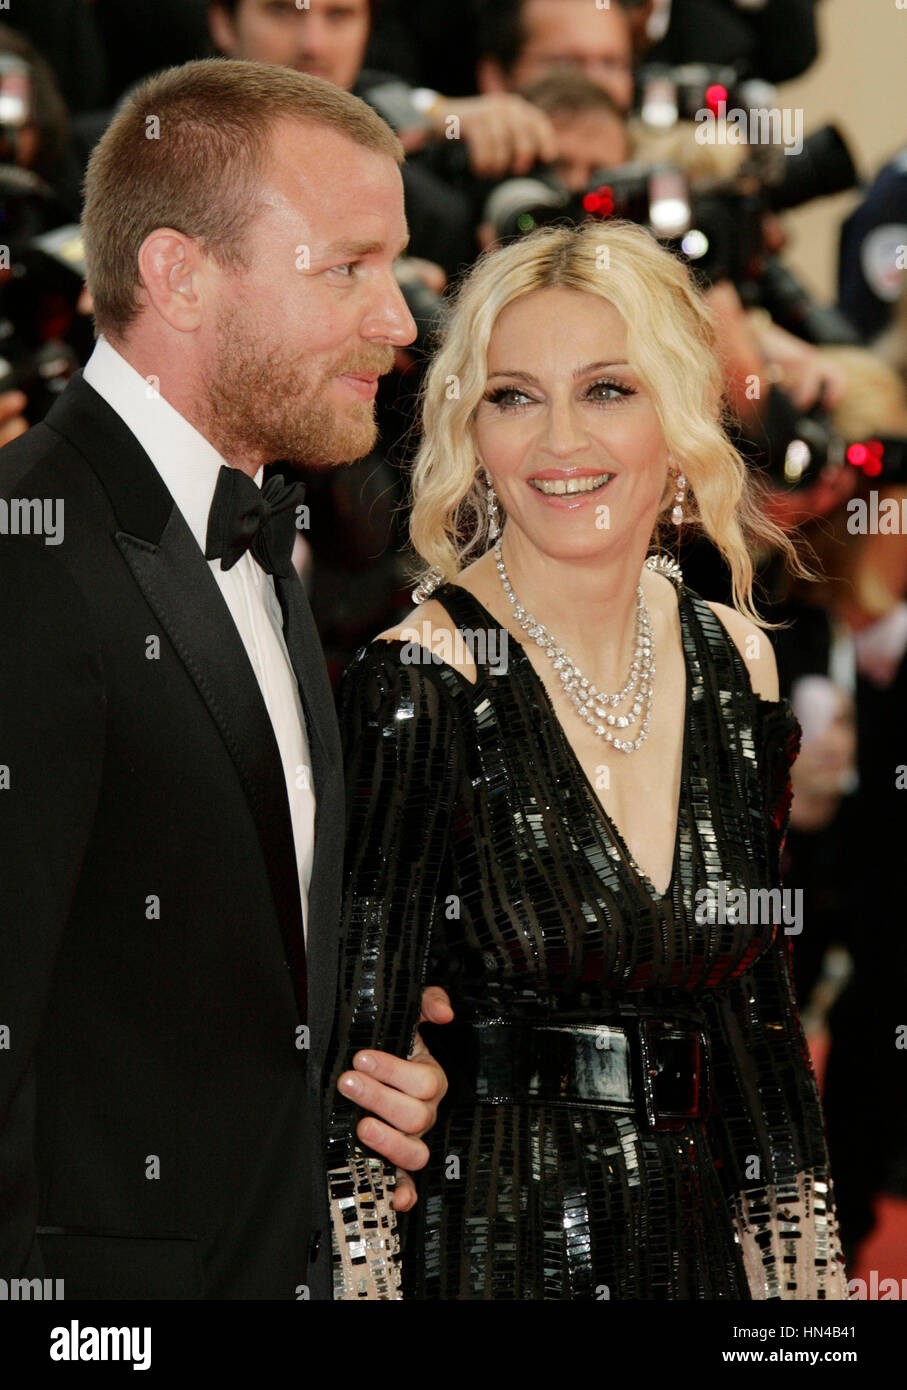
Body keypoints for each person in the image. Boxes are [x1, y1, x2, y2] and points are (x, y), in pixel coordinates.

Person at [326, 218, 849, 1299]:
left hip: (698, 1247)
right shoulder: (421, 680)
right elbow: (358, 1081)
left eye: (607, 388)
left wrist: (805, 1301)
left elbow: (755, 1025)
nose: (560, 441)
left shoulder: (736, 663)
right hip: (490, 1252)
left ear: (677, 413)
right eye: (515, 396)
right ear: (472, 430)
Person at [0, 58, 453, 1301]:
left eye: (394, 264)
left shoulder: (258, 533)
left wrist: (360, 1085)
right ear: (178, 275)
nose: (401, 320)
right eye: (347, 266)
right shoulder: (30, 559)